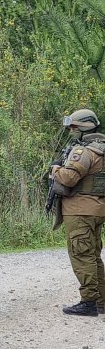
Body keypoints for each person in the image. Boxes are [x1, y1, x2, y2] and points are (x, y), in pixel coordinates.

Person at [51, 109, 105, 316]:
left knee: (81, 255)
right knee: (93, 255)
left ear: (83, 128)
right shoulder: (101, 149)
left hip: (80, 210)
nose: (71, 131)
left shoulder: (83, 152)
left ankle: (88, 302)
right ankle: (101, 301)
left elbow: (68, 178)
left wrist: (54, 170)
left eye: (73, 127)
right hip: (97, 209)